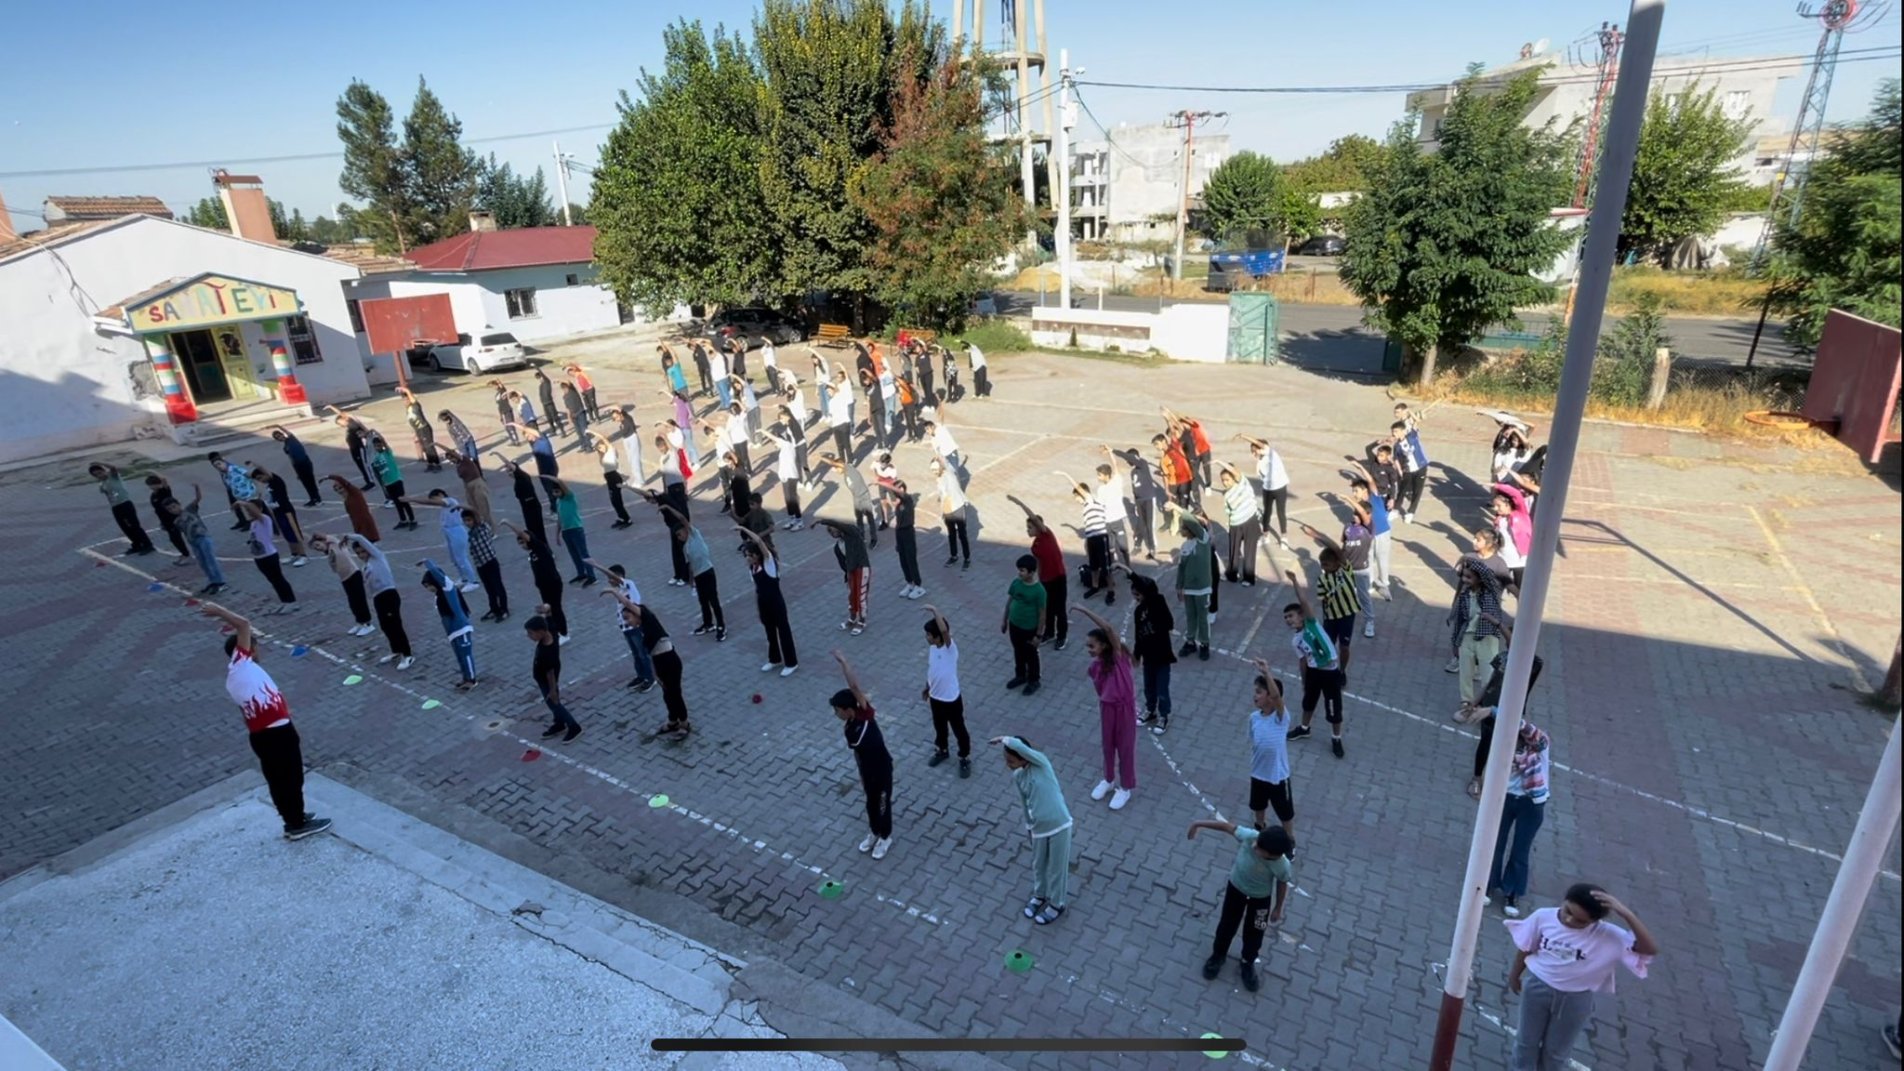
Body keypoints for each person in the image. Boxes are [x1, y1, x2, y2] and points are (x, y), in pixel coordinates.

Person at [200, 602, 332, 840]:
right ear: (249, 649)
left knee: (280, 778)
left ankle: (293, 816)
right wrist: (219, 612)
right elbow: (243, 624)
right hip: (276, 735)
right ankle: (296, 823)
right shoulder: (242, 664)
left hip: (263, 735)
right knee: (290, 777)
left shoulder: (235, 677)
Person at [1505, 884, 1657, 1071]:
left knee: (1555, 1053)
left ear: (1594, 922)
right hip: (1537, 988)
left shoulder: (1608, 935)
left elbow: (1649, 949)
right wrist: (1515, 975)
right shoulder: (1543, 917)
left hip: (1574, 1000)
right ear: (1564, 900)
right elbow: (1526, 947)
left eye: (1580, 921)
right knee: (1525, 1043)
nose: (1569, 919)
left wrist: (1626, 914)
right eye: (1567, 910)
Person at [1187, 819, 1292, 993]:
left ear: (1273, 856)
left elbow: (1282, 884)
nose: (1254, 846)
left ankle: (1247, 962)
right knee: (1227, 924)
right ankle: (1218, 955)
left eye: (1259, 849)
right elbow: (1226, 826)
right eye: (1257, 842)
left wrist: (1278, 907)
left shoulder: (1282, 865)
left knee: (1255, 932)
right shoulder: (1251, 837)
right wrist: (1197, 824)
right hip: (1236, 889)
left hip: (1260, 899)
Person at [990, 735, 1070, 925]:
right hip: (1038, 828)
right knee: (1038, 864)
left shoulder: (1042, 764)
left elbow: (1019, 746)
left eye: (1011, 760)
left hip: (1059, 825)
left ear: (1024, 757)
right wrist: (1028, 826)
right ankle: (1040, 895)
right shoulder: (1018, 775)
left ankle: (1057, 903)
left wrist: (1004, 738)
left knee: (1057, 868)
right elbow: (1025, 803)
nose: (1007, 764)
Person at [1484, 710, 1552, 919]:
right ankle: (1488, 884)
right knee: (1495, 843)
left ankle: (1511, 893)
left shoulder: (1538, 746)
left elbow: (1532, 733)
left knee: (1520, 849)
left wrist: (1493, 711)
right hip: (1505, 798)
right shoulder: (1501, 750)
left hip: (1531, 803)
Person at [1072, 604, 1137, 811]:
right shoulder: (1095, 667)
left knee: (1125, 747)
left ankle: (1125, 787)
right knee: (1108, 745)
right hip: (1107, 709)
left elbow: (1108, 628)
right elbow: (1100, 690)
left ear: (1105, 645)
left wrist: (1084, 610)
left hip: (1124, 709)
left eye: (1092, 646)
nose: (1089, 650)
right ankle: (1108, 780)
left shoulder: (1118, 657)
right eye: (1087, 647)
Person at [831, 651, 893, 860]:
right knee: (870, 804)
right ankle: (874, 832)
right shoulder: (848, 727)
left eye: (838, 710)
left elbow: (854, 687)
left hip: (882, 769)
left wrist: (844, 663)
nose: (836, 714)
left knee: (883, 805)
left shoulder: (865, 713)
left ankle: (885, 837)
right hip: (867, 771)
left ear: (849, 709)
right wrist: (860, 774)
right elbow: (857, 753)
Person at [604, 585, 690, 736]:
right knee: (666, 693)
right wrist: (655, 673)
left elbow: (629, 604)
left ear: (636, 614)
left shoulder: (648, 619)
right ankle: (672, 720)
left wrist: (613, 592)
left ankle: (684, 722)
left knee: (675, 693)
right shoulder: (642, 630)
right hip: (659, 662)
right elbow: (650, 654)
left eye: (627, 618)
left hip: (670, 660)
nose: (627, 622)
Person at [1282, 568, 1346, 759]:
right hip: (1313, 673)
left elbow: (1303, 601)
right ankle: (1304, 728)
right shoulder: (1295, 641)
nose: (1288, 620)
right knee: (1308, 702)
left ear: (1301, 615)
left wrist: (1294, 581)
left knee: (1333, 707)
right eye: (1285, 618)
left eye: (1291, 616)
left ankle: (1336, 737)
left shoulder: (1311, 623)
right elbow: (1303, 661)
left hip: (1330, 673)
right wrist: (1304, 681)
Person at [1293, 525, 1363, 672]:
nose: (1323, 567)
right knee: (1325, 644)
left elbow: (1336, 548)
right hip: (1331, 618)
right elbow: (1321, 600)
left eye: (1326, 564)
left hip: (1347, 616)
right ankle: (1326, 668)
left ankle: (1342, 671)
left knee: (1344, 647)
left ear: (1337, 562)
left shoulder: (1345, 569)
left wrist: (1317, 535)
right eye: (1322, 564)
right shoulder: (1322, 580)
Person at [1449, 555, 1508, 720]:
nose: (1465, 580)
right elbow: (1459, 621)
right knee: (1466, 674)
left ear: (1480, 579)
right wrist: (1455, 642)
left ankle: (1487, 707)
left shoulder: (1490, 592)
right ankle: (1466, 705)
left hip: (1487, 639)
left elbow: (1488, 575)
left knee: (1488, 673)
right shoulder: (1465, 596)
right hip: (1467, 638)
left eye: (1469, 577)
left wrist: (1468, 558)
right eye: (1464, 576)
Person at [341, 534, 414, 668]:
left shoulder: (377, 558)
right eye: (358, 553)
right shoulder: (365, 567)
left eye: (363, 551)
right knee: (385, 626)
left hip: (389, 594)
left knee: (395, 625)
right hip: (378, 598)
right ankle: (396, 650)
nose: (361, 555)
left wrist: (351, 537)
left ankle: (407, 654)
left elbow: (363, 539)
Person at [657, 502, 726, 640]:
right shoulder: (685, 548)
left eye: (679, 533)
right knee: (703, 601)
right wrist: (691, 580)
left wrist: (669, 507)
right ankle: (708, 624)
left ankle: (721, 626)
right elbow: (690, 564)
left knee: (714, 600)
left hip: (708, 572)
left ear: (685, 530)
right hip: (699, 576)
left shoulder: (694, 534)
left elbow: (682, 518)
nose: (679, 537)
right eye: (676, 536)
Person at [1007, 496, 1068, 650]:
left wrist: (1020, 503)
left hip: (1059, 577)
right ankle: (1049, 633)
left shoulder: (1047, 534)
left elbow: (1033, 516)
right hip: (1046, 580)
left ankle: (1062, 636)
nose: (1028, 530)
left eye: (1030, 528)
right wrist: (1039, 579)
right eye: (1027, 528)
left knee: (1060, 609)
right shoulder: (1035, 546)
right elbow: (1039, 563)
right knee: (1048, 609)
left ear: (1038, 527)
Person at [918, 604, 971, 777]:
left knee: (959, 729)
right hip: (936, 698)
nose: (926, 637)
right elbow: (932, 670)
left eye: (929, 634)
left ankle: (964, 757)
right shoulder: (932, 649)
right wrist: (927, 687)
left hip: (951, 699)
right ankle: (942, 749)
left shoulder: (950, 649)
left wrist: (935, 611)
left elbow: (945, 631)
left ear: (938, 637)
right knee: (939, 727)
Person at [737, 526, 798, 677]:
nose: (748, 558)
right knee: (769, 631)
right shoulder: (752, 569)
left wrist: (742, 528)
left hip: (776, 602)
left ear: (758, 555)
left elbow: (758, 541)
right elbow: (757, 588)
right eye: (746, 556)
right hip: (763, 602)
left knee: (783, 631)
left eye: (750, 555)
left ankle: (791, 663)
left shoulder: (769, 564)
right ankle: (775, 659)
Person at [1244, 659, 1295, 838]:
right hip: (1258, 773)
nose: (1255, 696)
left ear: (1270, 697)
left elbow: (1277, 698)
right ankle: (1259, 831)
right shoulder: (1254, 718)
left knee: (1285, 812)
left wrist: (1267, 672)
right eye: (1255, 692)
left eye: (1259, 692)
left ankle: (1290, 840)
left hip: (1278, 776)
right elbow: (1254, 741)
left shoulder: (1281, 718)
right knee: (1258, 806)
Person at [500, 521, 568, 644]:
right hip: (544, 585)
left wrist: (508, 523)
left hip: (553, 583)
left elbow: (522, 533)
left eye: (523, 542)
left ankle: (564, 633)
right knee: (548, 610)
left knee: (556, 608)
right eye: (519, 543)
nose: (522, 545)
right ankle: (553, 632)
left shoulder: (538, 546)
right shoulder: (532, 553)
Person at [1125, 572, 1177, 734]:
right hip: (1148, 657)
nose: (1136, 598)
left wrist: (1130, 573)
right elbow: (1138, 635)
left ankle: (1164, 716)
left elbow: (1150, 590)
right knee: (1149, 687)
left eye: (1138, 594)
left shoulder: (1158, 602)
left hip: (1162, 656)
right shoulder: (1138, 611)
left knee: (1162, 689)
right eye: (1134, 595)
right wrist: (1136, 654)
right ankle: (1150, 711)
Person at [401, 489, 481, 591]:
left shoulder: (450, 501)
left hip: (456, 531)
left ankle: (473, 581)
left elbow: (430, 502)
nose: (435, 502)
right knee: (454, 558)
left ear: (440, 494)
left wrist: (411, 499)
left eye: (435, 498)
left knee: (461, 558)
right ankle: (464, 578)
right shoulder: (445, 506)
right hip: (449, 532)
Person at [1165, 501, 1213, 660]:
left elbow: (1191, 520)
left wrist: (1176, 508)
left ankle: (1205, 643)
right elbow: (1181, 568)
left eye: (1184, 527)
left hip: (1203, 588)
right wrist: (1179, 587)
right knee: (1190, 616)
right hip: (1189, 588)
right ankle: (1191, 641)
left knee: (1202, 618)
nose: (1182, 530)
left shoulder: (1203, 540)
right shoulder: (1185, 546)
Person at [421, 560, 479, 690]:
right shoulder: (438, 595)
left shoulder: (448, 589)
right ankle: (465, 677)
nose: (428, 589)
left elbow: (440, 576)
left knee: (466, 655)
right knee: (459, 656)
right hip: (452, 632)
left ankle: (472, 679)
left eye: (428, 585)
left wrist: (428, 563)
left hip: (461, 628)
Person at [524, 615, 582, 741]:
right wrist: (547, 610)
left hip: (547, 680)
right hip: (547, 675)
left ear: (541, 632)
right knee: (553, 702)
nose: (529, 636)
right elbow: (550, 617)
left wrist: (552, 690)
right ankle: (559, 723)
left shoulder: (547, 653)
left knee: (553, 702)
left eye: (531, 633)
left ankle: (573, 726)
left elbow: (550, 674)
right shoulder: (551, 632)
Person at [310, 533, 375, 637]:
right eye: (315, 548)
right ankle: (359, 622)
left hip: (354, 574)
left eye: (318, 545)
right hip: (345, 578)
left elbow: (329, 537)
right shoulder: (329, 552)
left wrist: (318, 536)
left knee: (360, 600)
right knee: (353, 602)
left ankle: (367, 624)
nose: (318, 548)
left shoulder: (335, 544)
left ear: (323, 541)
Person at [815, 516, 872, 635]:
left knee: (861, 596)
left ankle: (861, 622)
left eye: (834, 530)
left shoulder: (852, 533)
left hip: (862, 567)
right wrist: (847, 575)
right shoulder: (837, 547)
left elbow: (839, 524)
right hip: (851, 571)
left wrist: (822, 521)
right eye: (830, 532)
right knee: (852, 596)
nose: (833, 533)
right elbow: (843, 563)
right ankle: (852, 618)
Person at [164, 485, 226, 594]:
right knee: (203, 563)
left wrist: (197, 488)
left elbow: (198, 499)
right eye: (170, 509)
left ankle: (220, 582)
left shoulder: (190, 510)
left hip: (203, 537)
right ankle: (212, 581)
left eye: (174, 507)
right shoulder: (176, 521)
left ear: (179, 504)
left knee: (210, 560)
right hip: (193, 542)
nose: (173, 510)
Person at [239, 500, 297, 612]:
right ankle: (284, 601)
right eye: (247, 510)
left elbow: (255, 510)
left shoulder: (264, 519)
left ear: (259, 508)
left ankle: (291, 602)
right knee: (273, 581)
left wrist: (241, 502)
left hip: (269, 556)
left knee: (279, 579)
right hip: (259, 557)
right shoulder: (253, 523)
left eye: (250, 509)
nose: (249, 512)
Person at [1106, 444, 1162, 561]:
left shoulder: (1143, 464)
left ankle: (1152, 548)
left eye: (1129, 459)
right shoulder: (1133, 472)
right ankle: (1138, 545)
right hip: (1140, 501)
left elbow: (1131, 458)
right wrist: (1136, 503)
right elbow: (1135, 489)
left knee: (1149, 525)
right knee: (1140, 524)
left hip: (1148, 499)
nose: (1128, 462)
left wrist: (1115, 451)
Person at [1212, 463, 1263, 587]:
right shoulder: (1227, 494)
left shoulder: (1243, 483)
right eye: (1223, 480)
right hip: (1235, 524)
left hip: (1250, 521)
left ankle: (1249, 578)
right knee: (1233, 550)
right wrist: (1230, 524)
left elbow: (1235, 471)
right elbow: (1229, 511)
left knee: (1249, 550)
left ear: (1234, 478)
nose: (1225, 483)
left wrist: (1219, 462)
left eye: (1227, 479)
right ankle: (1232, 574)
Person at [248, 464, 309, 567]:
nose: (261, 480)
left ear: (265, 474)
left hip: (286, 511)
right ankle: (294, 554)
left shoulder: (275, 480)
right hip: (277, 511)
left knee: (294, 532)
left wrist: (254, 464)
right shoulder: (268, 485)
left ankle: (303, 555)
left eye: (260, 477)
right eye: (258, 480)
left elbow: (264, 470)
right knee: (286, 533)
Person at [1001, 554, 1046, 695]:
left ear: (1032, 572)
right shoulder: (1016, 583)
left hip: (1029, 629)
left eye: (1022, 570)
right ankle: (1020, 675)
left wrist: (1038, 635)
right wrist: (1004, 620)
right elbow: (1009, 602)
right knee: (1018, 651)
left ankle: (1034, 680)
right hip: (1015, 625)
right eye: (1019, 570)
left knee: (1031, 655)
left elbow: (1042, 614)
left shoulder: (1039, 591)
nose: (1019, 573)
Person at [90, 462, 157, 555]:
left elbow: (113, 467)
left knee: (134, 525)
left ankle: (148, 545)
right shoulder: (102, 484)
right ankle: (137, 544)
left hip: (125, 503)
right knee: (125, 527)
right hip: (115, 506)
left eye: (100, 473)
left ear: (104, 471)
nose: (99, 475)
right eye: (96, 475)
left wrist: (100, 463)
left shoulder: (113, 477)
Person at [1239, 434, 1292, 549]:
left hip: (1280, 487)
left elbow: (1261, 445)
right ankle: (1265, 536)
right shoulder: (1259, 463)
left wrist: (1245, 436)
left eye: (1255, 450)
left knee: (1280, 512)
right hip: (1267, 489)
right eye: (1252, 451)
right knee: (1267, 513)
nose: (1254, 453)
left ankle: (1284, 538)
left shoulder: (1272, 454)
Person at [543, 477, 595, 586]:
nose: (555, 494)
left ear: (562, 490)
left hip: (576, 529)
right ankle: (581, 573)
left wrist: (548, 477)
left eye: (557, 491)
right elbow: (560, 519)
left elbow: (561, 483)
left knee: (583, 553)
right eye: (554, 492)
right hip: (566, 531)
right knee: (574, 554)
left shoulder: (569, 497)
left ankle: (592, 576)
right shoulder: (558, 501)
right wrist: (557, 534)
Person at [1069, 475, 1114, 603]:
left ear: (1082, 494)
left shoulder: (1090, 500)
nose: (1076, 500)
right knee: (1093, 565)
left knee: (1106, 567)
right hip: (1092, 538)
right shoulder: (1087, 506)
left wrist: (1066, 475)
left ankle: (1111, 591)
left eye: (1076, 497)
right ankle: (1095, 587)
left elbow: (1078, 487)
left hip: (1100, 537)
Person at [878, 479, 925, 599]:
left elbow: (897, 491)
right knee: (903, 559)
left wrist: (883, 484)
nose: (897, 492)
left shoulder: (908, 500)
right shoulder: (898, 505)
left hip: (908, 532)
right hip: (899, 533)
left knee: (911, 559)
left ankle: (918, 586)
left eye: (900, 489)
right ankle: (909, 583)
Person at [464, 508, 510, 623]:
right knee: (489, 589)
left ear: (475, 519)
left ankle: (504, 609)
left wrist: (462, 506)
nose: (467, 523)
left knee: (498, 586)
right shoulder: (470, 534)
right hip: (481, 565)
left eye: (469, 520)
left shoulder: (482, 528)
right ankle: (494, 609)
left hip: (490, 562)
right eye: (465, 521)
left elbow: (475, 511)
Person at [1391, 403, 1432, 523]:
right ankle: (1395, 510)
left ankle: (1411, 512)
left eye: (1396, 432)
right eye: (1393, 432)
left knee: (1417, 491)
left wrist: (1412, 414)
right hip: (1407, 469)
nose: (1394, 434)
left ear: (1403, 431)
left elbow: (1417, 422)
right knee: (1402, 490)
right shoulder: (1397, 446)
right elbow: (1396, 459)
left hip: (1420, 467)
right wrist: (1399, 471)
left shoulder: (1412, 436)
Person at [370, 434, 418, 530]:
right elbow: (378, 473)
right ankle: (403, 520)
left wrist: (379, 436)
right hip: (387, 483)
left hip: (396, 480)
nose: (378, 447)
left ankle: (412, 520)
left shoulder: (387, 452)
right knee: (396, 502)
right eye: (376, 446)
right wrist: (382, 484)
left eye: (379, 445)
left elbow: (385, 443)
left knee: (403, 500)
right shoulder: (375, 459)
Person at [268, 426, 323, 506]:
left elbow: (287, 431)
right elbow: (291, 458)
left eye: (279, 435)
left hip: (305, 462)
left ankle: (317, 499)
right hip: (298, 465)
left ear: (282, 434)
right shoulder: (285, 447)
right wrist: (297, 471)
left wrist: (277, 426)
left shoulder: (291, 439)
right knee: (306, 483)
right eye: (277, 438)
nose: (280, 438)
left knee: (311, 481)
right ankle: (313, 498)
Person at [931, 458, 971, 569]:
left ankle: (967, 558)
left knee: (962, 534)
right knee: (951, 533)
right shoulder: (939, 479)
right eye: (932, 470)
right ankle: (954, 556)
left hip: (957, 506)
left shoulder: (949, 475)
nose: (934, 472)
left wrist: (940, 457)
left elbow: (948, 464)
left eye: (935, 469)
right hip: (948, 508)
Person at [588, 432, 633, 529]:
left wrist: (591, 432)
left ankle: (627, 519)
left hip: (614, 477)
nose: (601, 449)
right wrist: (599, 453)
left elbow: (603, 438)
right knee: (614, 501)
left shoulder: (611, 451)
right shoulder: (604, 456)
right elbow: (602, 464)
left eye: (601, 447)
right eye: (599, 448)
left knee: (617, 500)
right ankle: (621, 517)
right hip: (609, 477)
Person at [324, 407, 376, 490]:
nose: (340, 425)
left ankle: (371, 482)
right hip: (354, 449)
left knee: (365, 465)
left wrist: (331, 407)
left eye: (340, 422)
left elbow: (343, 414)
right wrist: (331, 407)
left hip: (359, 447)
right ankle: (368, 481)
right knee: (360, 466)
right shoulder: (350, 426)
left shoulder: (354, 424)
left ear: (345, 419)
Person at [143, 474, 190, 564]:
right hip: (165, 520)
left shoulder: (164, 491)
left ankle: (186, 555)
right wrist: (162, 522)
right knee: (173, 538)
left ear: (156, 484)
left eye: (150, 484)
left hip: (172, 518)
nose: (150, 487)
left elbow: (164, 479)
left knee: (176, 537)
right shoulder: (153, 495)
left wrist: (151, 471)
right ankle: (184, 553)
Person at [210, 451, 263, 530]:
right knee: (249, 512)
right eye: (215, 466)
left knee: (257, 513)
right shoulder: (224, 474)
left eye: (219, 464)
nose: (218, 467)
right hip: (241, 496)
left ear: (223, 461)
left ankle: (263, 527)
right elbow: (229, 484)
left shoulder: (234, 468)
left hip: (250, 494)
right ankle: (250, 525)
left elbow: (249, 475)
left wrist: (258, 487)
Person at [445, 447, 494, 528]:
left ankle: (491, 529)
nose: (451, 461)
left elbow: (450, 451)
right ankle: (480, 527)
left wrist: (436, 444)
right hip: (468, 486)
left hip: (477, 484)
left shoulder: (464, 460)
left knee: (483, 508)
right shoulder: (458, 465)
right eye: (449, 459)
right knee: (473, 508)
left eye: (451, 458)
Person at [327, 475, 380, 543]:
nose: (339, 491)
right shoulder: (346, 500)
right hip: (357, 524)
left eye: (340, 488)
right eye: (336, 490)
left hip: (365, 522)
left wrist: (329, 477)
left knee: (368, 542)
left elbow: (342, 479)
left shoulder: (355, 493)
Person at [400, 387, 442, 471]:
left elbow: (412, 398)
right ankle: (430, 463)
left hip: (424, 428)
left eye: (406, 400)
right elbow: (412, 423)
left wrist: (406, 391)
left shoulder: (415, 406)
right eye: (403, 401)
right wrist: (415, 433)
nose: (404, 402)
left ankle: (437, 464)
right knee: (425, 447)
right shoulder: (408, 410)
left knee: (429, 446)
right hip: (418, 430)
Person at [534, 370, 566, 437]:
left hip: (550, 403)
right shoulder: (541, 386)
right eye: (538, 378)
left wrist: (536, 368)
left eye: (540, 377)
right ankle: (553, 430)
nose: (540, 379)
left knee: (555, 417)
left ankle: (563, 431)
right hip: (544, 404)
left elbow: (543, 375)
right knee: (549, 418)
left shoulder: (547, 382)